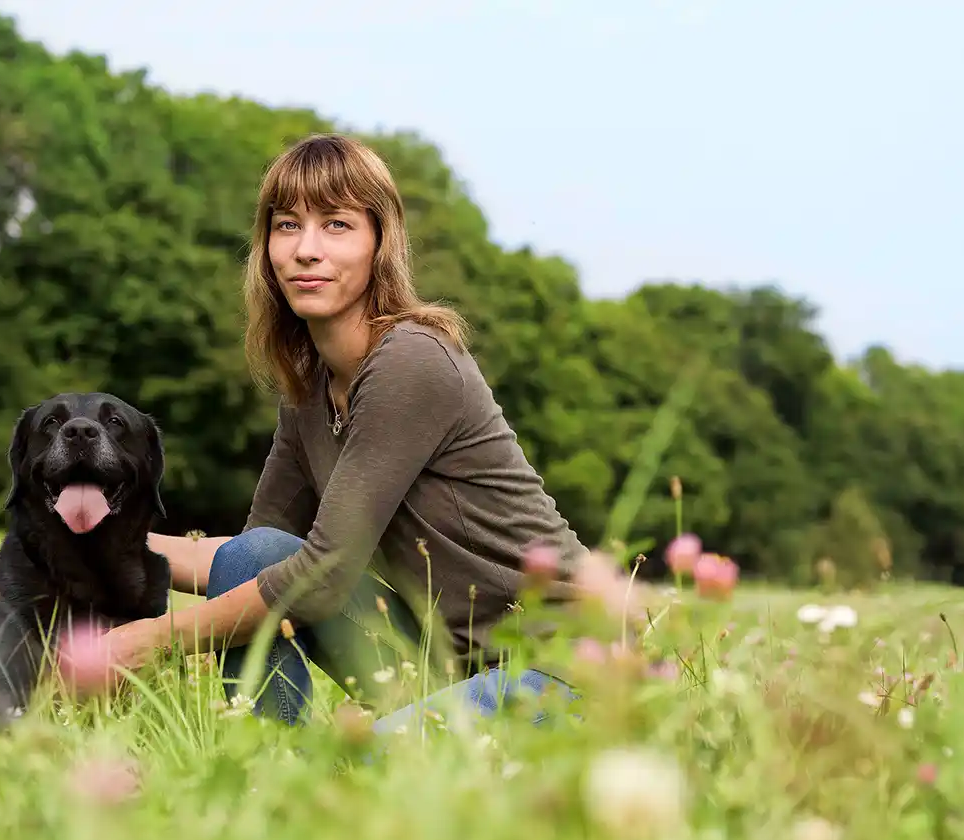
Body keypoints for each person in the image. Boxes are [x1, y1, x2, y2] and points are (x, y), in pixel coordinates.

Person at [82, 132, 593, 730]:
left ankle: (295, 789)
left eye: (338, 225)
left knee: (363, 769)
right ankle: (264, 766)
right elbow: (256, 561)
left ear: (380, 242)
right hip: (449, 670)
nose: (306, 249)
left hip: (565, 672)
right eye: (287, 225)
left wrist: (148, 640)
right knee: (253, 561)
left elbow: (321, 579)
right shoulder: (310, 391)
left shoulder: (413, 360)